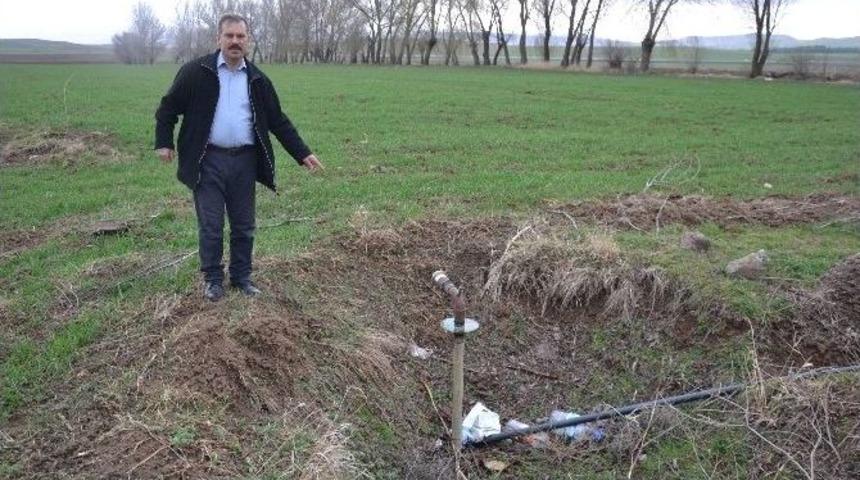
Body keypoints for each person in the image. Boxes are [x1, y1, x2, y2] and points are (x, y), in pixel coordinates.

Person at [155, 13, 322, 302]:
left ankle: (242, 277)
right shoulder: (195, 72)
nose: (235, 41)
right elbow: (168, 108)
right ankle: (213, 280)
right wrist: (164, 142)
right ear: (218, 39)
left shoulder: (257, 79)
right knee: (211, 225)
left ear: (248, 40)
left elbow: (277, 121)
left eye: (240, 36)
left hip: (245, 162)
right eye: (229, 36)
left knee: (244, 225)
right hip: (207, 160)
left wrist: (302, 152)